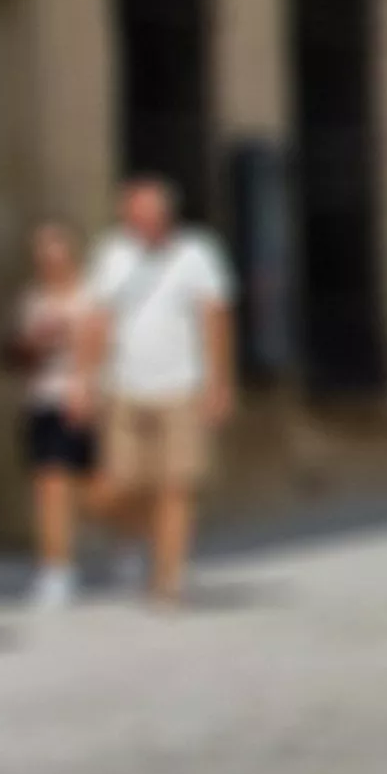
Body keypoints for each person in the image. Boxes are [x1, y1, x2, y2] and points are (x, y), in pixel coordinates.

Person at [76, 174, 235, 607]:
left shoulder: (196, 254)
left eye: (152, 214)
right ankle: (138, 537)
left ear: (167, 216)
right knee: (118, 486)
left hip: (181, 386)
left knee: (176, 484)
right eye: (135, 215)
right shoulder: (111, 255)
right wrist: (84, 382)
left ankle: (168, 579)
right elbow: (96, 321)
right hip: (124, 387)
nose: (144, 223)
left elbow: (215, 318)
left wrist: (219, 382)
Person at [11, 221, 98, 610]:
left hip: (87, 400)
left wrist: (84, 387)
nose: (49, 260)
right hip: (45, 400)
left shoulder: (90, 297)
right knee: (50, 483)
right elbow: (22, 357)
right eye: (42, 253)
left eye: (55, 251)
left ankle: (136, 539)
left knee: (98, 491)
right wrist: (34, 344)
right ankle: (56, 568)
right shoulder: (33, 299)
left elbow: (100, 348)